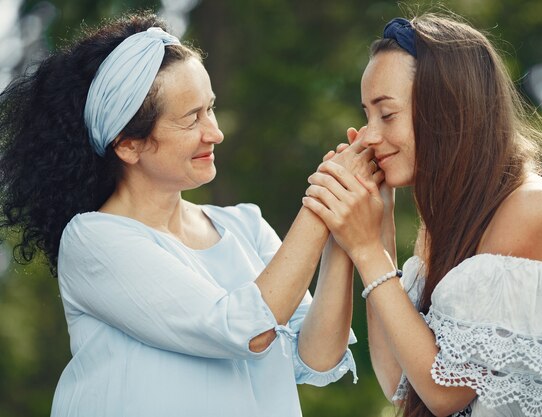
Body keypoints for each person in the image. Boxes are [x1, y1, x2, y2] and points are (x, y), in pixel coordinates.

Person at [0, 12, 381, 417]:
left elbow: (317, 357)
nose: (214, 132)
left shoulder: (244, 225)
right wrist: (322, 199)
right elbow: (244, 330)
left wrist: (340, 215)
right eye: (190, 119)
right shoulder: (94, 240)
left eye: (210, 109)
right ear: (128, 145)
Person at [303, 14, 542, 417]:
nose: (368, 135)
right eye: (367, 115)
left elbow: (444, 391)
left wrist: (367, 249)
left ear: (448, 110)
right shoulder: (442, 232)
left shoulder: (535, 208)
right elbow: (402, 386)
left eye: (386, 115)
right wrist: (378, 223)